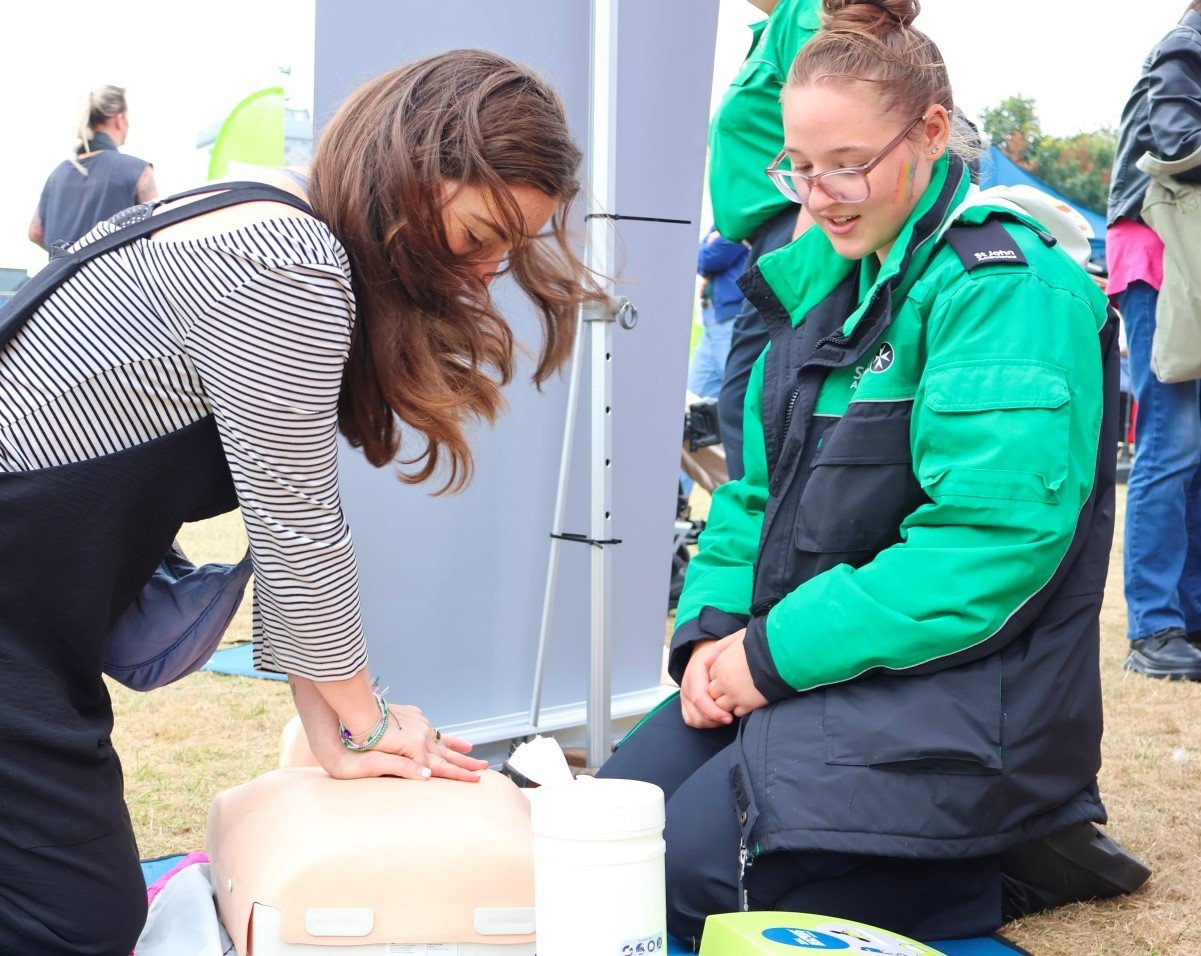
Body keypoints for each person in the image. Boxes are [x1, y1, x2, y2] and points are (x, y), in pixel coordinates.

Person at [0, 50, 599, 955]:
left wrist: (345, 734)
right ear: (411, 167)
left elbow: (288, 518)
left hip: (31, 625)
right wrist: (362, 719)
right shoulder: (289, 260)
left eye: (507, 254)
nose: (485, 276)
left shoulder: (269, 213)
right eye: (478, 238)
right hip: (15, 621)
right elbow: (296, 518)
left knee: (82, 915)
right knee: (69, 928)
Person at [599, 0, 1145, 944]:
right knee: (614, 825)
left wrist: (766, 658)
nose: (816, 196)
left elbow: (987, 545)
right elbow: (754, 495)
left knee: (701, 879)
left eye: (845, 163)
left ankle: (1006, 851)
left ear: (931, 131)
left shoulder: (1005, 287)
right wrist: (714, 637)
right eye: (797, 168)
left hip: (964, 685)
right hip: (822, 660)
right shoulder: (817, 280)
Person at [1107, 1, 1201, 680]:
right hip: (1158, 254)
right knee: (1169, 440)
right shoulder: (1184, 45)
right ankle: (1153, 627)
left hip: (1178, 259)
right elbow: (1175, 145)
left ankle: (1185, 620)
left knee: (1189, 447)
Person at [710, 0, 822, 480]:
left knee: (752, 399)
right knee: (752, 399)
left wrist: (800, 253)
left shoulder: (803, 11)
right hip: (774, 235)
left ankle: (762, 544)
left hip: (797, 227)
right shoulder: (774, 26)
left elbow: (830, 120)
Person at [28, 85, 159, 252]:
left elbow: (35, 232)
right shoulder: (138, 170)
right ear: (119, 119)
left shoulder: (57, 174)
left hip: (62, 277)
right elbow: (157, 230)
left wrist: (69, 256)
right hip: (113, 276)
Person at [689, 228, 749, 400]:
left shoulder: (742, 207)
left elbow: (709, 259)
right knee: (695, 394)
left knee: (736, 396)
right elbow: (693, 255)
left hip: (733, 316)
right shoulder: (725, 211)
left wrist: (708, 245)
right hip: (714, 316)